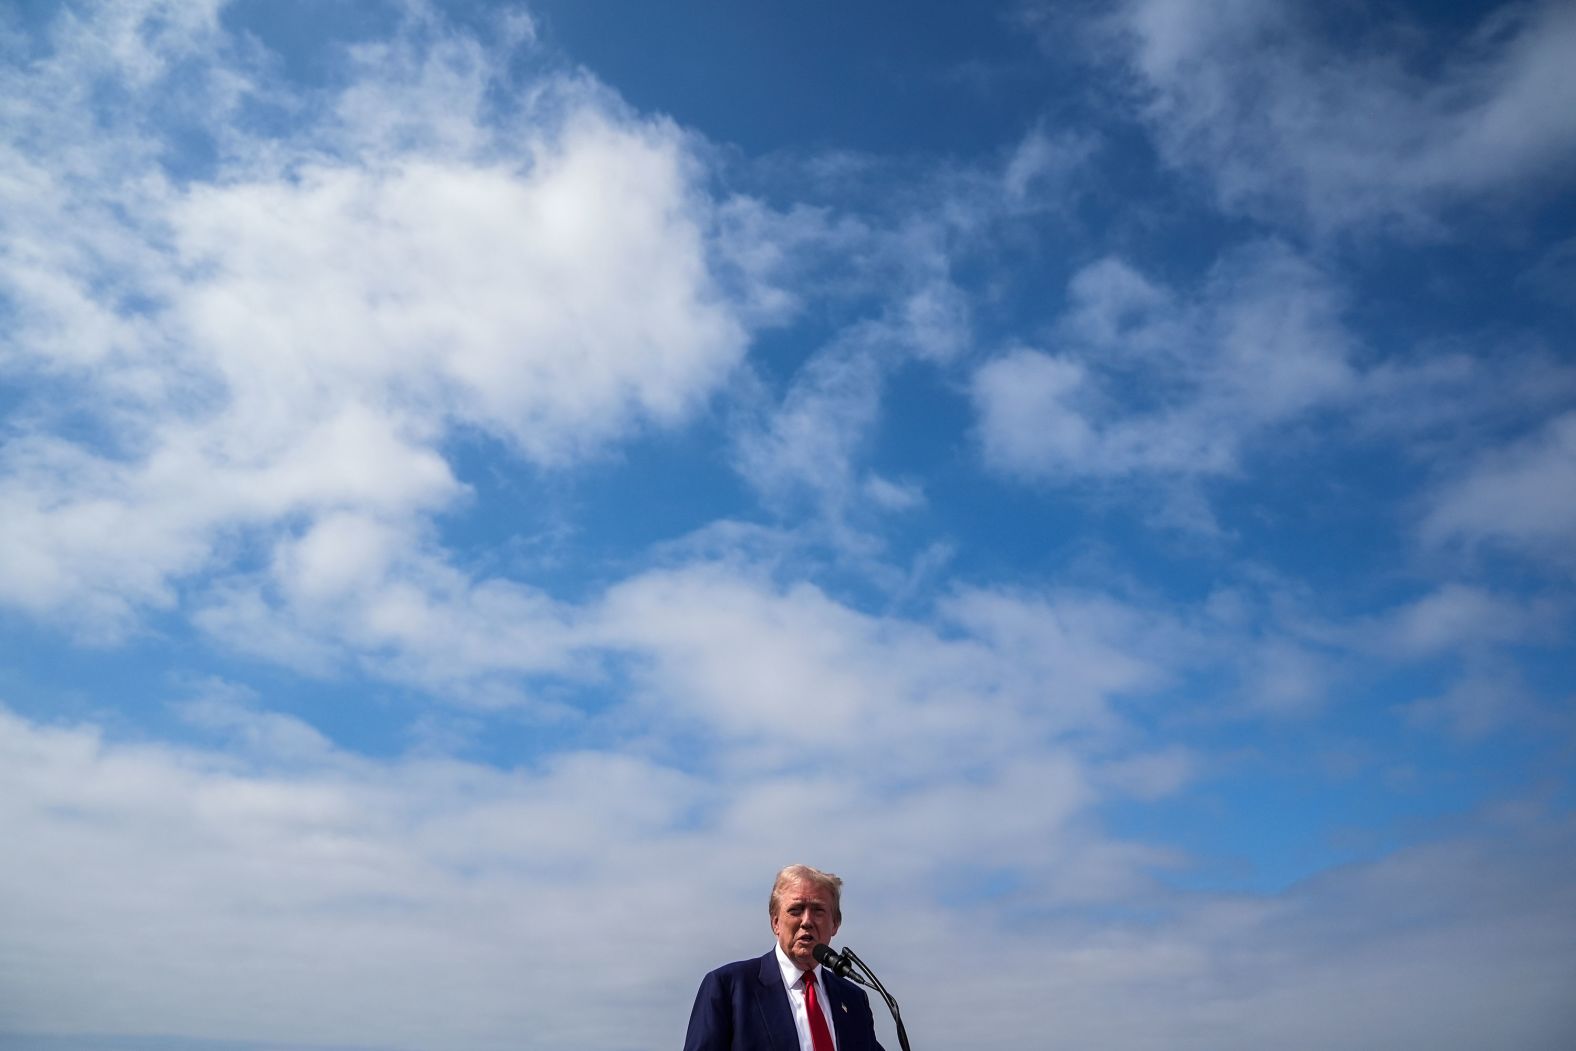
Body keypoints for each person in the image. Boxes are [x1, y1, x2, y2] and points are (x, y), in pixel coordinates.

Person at [683, 864, 886, 1051]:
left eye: (818, 910)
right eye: (795, 910)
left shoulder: (853, 999)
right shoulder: (729, 987)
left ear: (835, 924)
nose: (806, 921)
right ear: (776, 923)